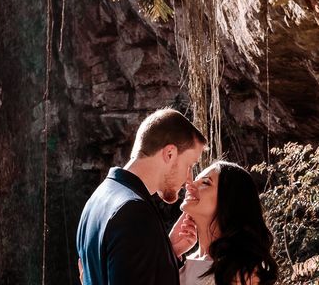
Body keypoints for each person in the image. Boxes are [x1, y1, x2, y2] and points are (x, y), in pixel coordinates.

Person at [76, 108, 207, 285]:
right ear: (170, 154)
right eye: (189, 165)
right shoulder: (134, 212)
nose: (188, 179)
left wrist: (167, 250)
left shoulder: (96, 200)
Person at [177, 161, 278, 285]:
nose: (190, 185)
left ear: (230, 202)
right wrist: (172, 250)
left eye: (205, 182)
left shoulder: (243, 273)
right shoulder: (185, 262)